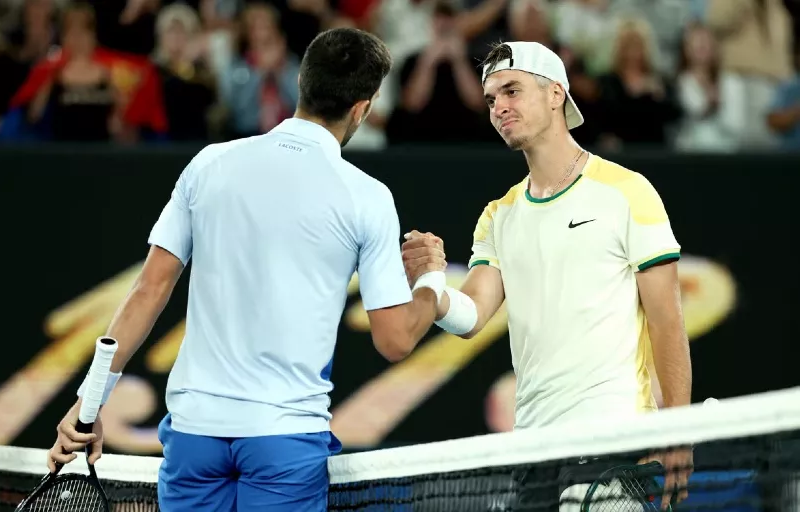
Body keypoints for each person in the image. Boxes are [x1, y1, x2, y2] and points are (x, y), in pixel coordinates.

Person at [47, 27, 448, 512]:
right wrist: (430, 280)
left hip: (195, 435)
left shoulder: (209, 164)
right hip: (283, 441)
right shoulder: (366, 196)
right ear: (362, 108)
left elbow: (148, 290)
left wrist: (89, 405)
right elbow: (395, 339)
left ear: (302, 84)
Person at [401, 41, 693, 510]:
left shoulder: (628, 192)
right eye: (492, 99)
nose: (499, 108)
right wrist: (432, 282)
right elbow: (471, 314)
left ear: (556, 94)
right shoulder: (499, 215)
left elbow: (667, 321)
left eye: (512, 91)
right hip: (533, 449)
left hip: (611, 438)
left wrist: (679, 431)